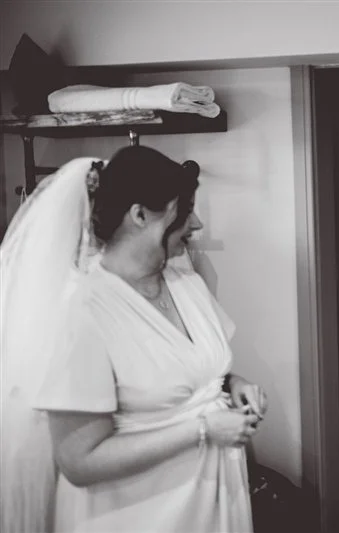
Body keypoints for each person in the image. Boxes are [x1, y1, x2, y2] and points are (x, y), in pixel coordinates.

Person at [0, 146, 266, 532]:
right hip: (137, 513)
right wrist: (204, 429)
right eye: (184, 208)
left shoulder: (186, 282)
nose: (197, 223)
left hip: (211, 501)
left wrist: (234, 385)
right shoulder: (84, 313)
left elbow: (193, 373)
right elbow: (80, 461)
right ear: (140, 215)